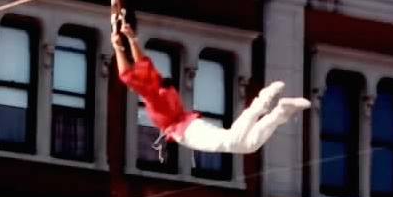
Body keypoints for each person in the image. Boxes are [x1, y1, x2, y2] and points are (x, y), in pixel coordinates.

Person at [111, 21, 309, 157]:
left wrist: (118, 47)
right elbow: (139, 63)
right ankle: (280, 112)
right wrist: (129, 40)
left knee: (232, 141)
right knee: (246, 146)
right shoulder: (156, 79)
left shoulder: (151, 95)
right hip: (188, 125)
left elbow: (126, 74)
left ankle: (264, 101)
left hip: (185, 131)